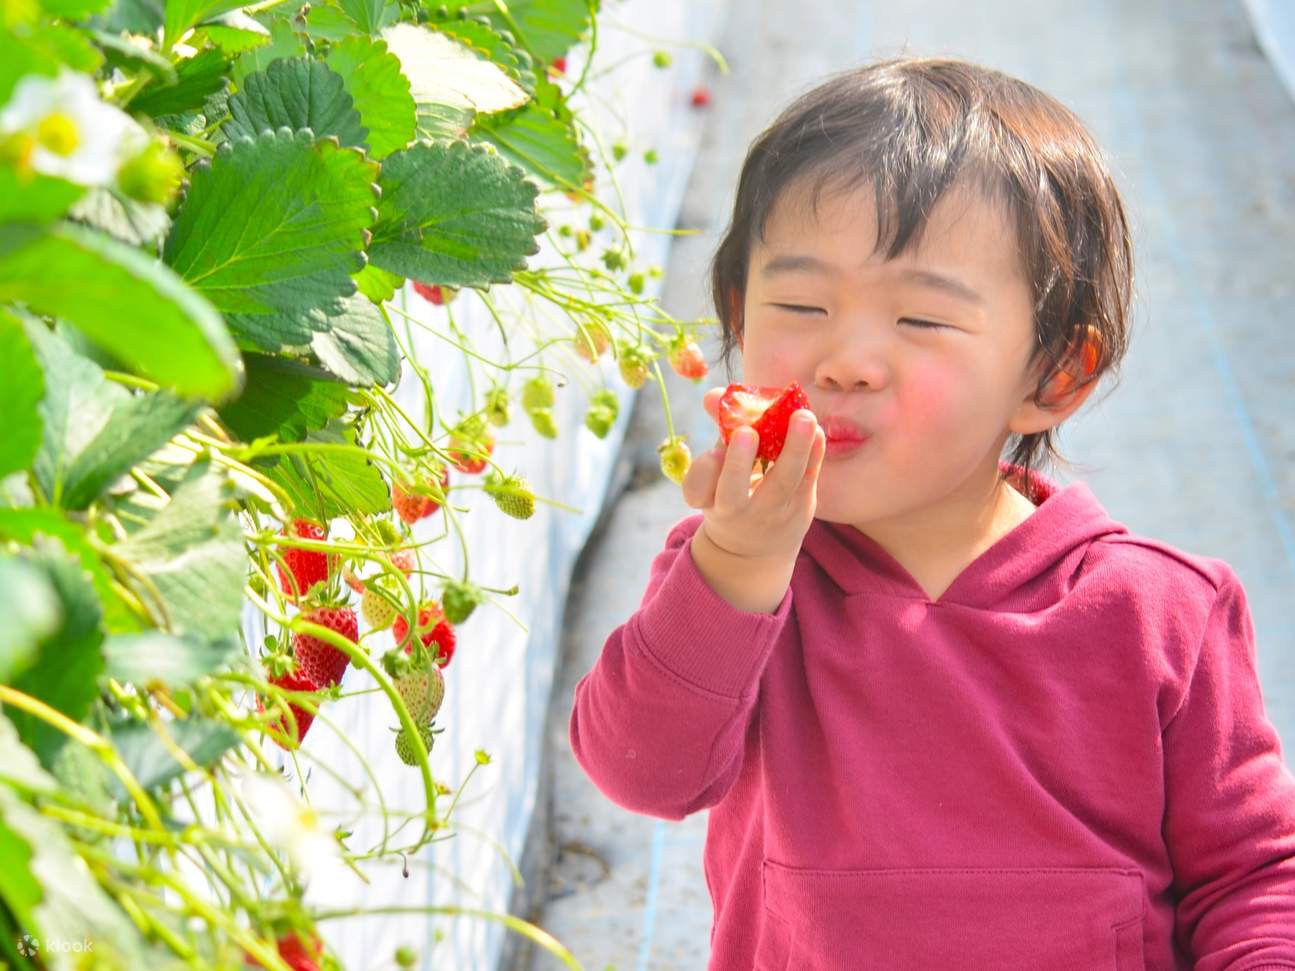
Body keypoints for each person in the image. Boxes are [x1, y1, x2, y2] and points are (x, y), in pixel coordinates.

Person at [567, 56, 1295, 969]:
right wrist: (737, 564)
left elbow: (1251, 877)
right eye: (799, 303)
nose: (844, 361)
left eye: (919, 320)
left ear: (1053, 373)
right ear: (738, 318)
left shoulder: (1158, 612)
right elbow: (639, 771)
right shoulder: (739, 580)